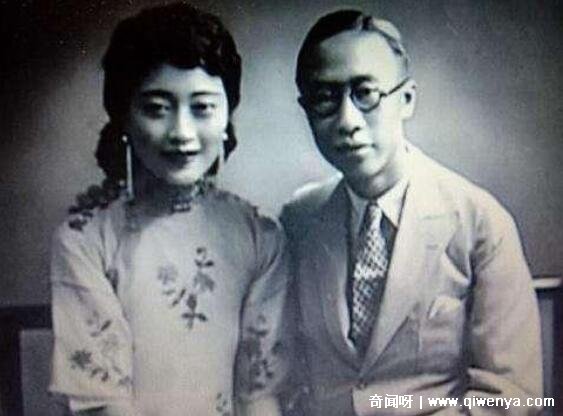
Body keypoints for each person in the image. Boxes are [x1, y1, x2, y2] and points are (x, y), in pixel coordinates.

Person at [281, 9, 542, 415]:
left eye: (365, 93)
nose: (347, 121)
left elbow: (513, 396)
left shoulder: (479, 223)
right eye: (325, 98)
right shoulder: (298, 220)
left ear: (406, 99)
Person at [49, 3, 290, 415]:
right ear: (124, 118)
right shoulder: (85, 241)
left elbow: (260, 394)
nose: (181, 133)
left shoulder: (260, 236)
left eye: (202, 107)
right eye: (157, 109)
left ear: (227, 116)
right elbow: (104, 404)